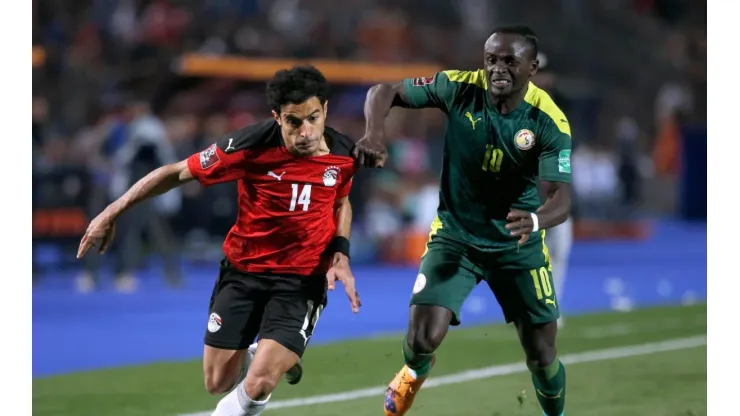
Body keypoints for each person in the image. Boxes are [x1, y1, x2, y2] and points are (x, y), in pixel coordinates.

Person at [77, 65, 361, 416]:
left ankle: (272, 360)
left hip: (301, 280)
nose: (305, 132)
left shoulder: (345, 154)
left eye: (313, 118)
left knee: (258, 384)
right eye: (293, 122)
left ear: (326, 109)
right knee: (218, 382)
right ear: (276, 117)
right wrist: (111, 212)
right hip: (244, 271)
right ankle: (270, 355)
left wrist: (341, 253)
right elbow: (176, 172)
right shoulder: (248, 146)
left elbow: (341, 202)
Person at [355, 26, 572, 416]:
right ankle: (413, 372)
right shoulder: (458, 87)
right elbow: (382, 91)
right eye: (491, 60)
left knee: (542, 355)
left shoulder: (548, 121)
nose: (497, 69)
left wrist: (537, 221)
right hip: (455, 236)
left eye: (510, 61)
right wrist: (375, 134)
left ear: (533, 68)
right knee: (423, 337)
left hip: (516, 244)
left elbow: (561, 198)